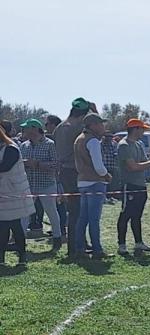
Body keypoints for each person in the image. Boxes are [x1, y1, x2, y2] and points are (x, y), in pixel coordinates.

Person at [53, 97, 92, 256]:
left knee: (74, 210)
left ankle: (79, 243)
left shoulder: (59, 127)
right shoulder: (78, 128)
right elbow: (97, 132)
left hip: (64, 172)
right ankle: (75, 247)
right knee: (78, 211)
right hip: (75, 171)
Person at [73, 113, 113, 258]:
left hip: (82, 181)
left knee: (83, 218)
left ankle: (79, 248)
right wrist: (106, 175)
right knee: (94, 219)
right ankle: (97, 249)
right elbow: (99, 167)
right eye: (101, 124)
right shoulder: (93, 141)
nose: (103, 126)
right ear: (93, 125)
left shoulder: (79, 139)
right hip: (95, 182)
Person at [19, 119, 62, 250]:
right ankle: (20, 241)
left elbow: (56, 165)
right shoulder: (23, 146)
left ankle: (57, 238)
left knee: (51, 212)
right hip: (28, 185)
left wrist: (38, 164)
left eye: (26, 128)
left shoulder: (50, 144)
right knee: (24, 214)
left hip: (46, 184)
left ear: (34, 129)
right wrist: (25, 163)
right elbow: (19, 164)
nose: (24, 131)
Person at [116, 119, 150, 255]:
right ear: (135, 129)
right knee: (126, 214)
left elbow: (143, 162)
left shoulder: (138, 144)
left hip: (141, 184)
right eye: (142, 129)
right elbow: (132, 166)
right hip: (129, 185)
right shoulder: (124, 145)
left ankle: (139, 243)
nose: (143, 132)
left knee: (137, 215)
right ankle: (121, 244)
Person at [0, 127, 35, 266]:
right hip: (4, 192)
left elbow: (5, 167)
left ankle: (22, 257)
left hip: (13, 192)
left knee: (15, 226)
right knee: (3, 227)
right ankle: (2, 259)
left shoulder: (11, 149)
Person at [101, 132, 119, 205]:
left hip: (112, 166)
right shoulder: (100, 144)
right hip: (104, 167)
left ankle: (111, 196)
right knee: (104, 183)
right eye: (107, 136)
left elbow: (116, 153)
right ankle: (104, 197)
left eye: (110, 136)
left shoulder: (114, 144)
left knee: (112, 183)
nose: (109, 138)